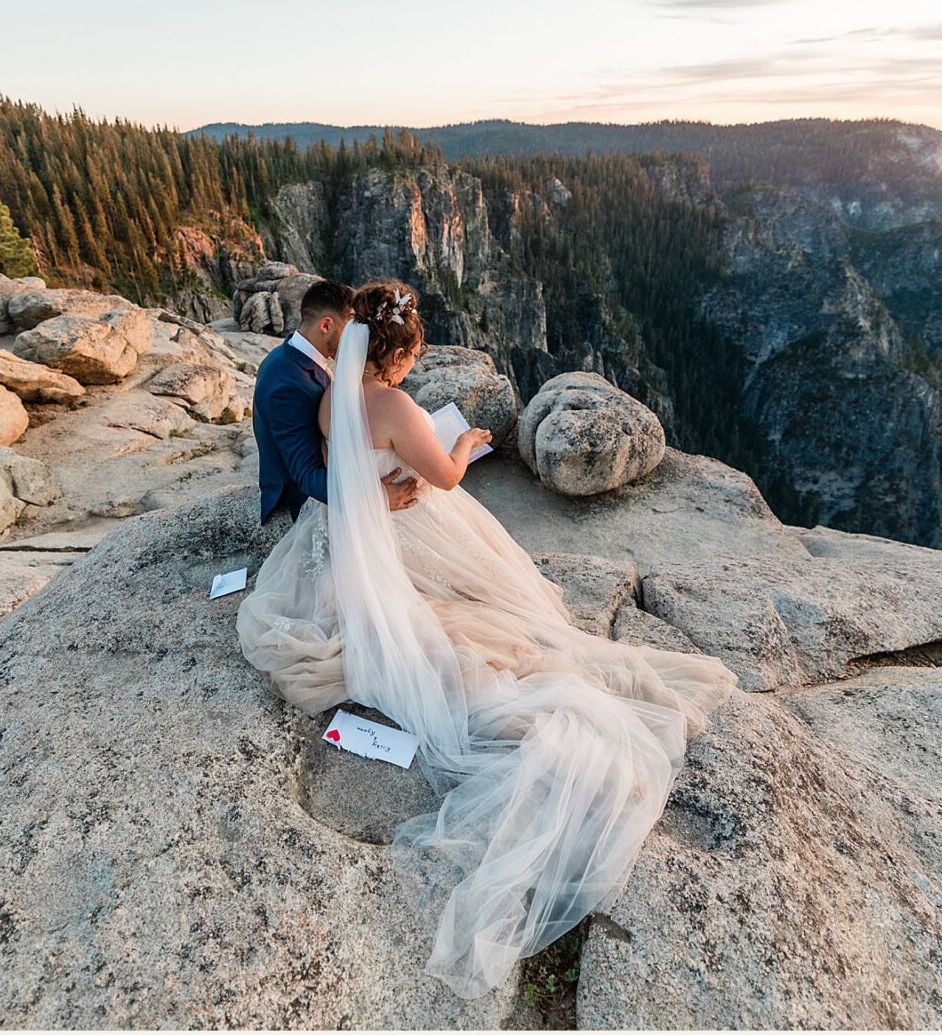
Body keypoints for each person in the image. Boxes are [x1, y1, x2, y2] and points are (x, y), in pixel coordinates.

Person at [237, 277, 737, 999]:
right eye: (412, 355)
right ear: (398, 355)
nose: (413, 367)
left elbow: (343, 463)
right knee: (503, 602)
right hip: (409, 529)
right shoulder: (396, 404)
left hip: (348, 539)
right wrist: (466, 441)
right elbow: (440, 477)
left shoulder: (326, 393)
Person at [250, 278, 416, 522]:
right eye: (351, 326)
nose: (359, 337)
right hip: (303, 497)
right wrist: (374, 498)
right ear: (326, 325)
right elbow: (305, 474)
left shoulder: (295, 356)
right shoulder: (286, 384)